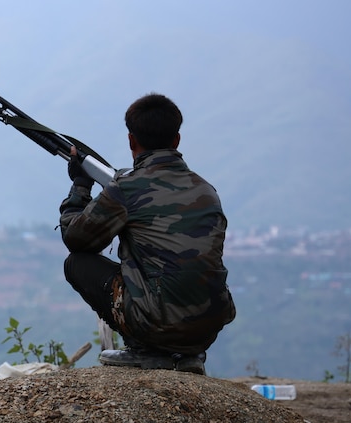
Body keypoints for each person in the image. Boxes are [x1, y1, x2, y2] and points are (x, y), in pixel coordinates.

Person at [58, 93, 235, 375]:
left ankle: (145, 350)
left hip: (156, 322)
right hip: (208, 324)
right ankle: (188, 354)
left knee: (77, 263)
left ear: (131, 140)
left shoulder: (127, 188)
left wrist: (80, 186)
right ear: (177, 140)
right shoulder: (206, 190)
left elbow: (77, 239)